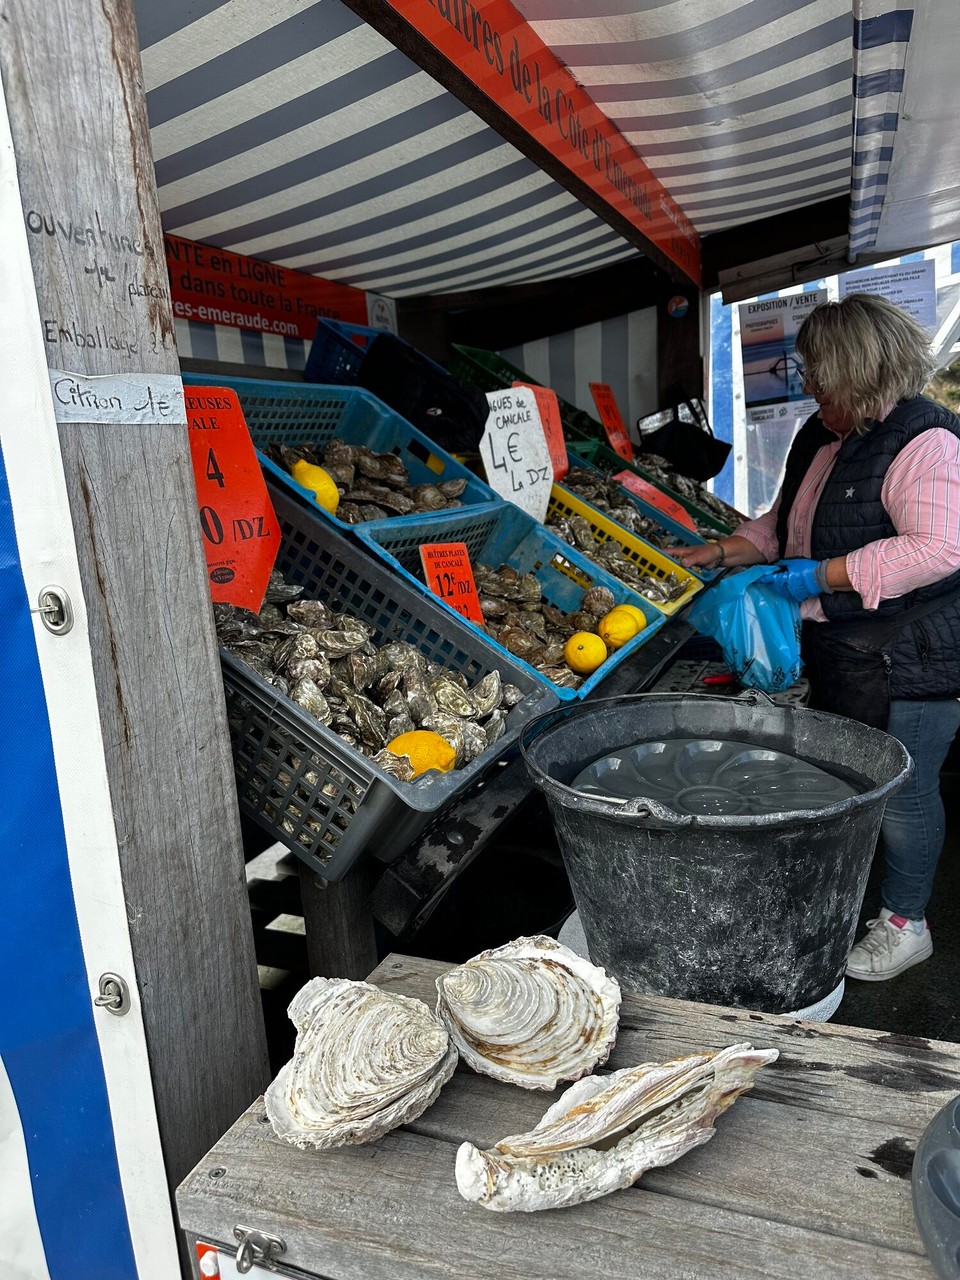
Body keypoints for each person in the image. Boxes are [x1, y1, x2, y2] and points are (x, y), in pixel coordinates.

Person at [672, 293, 960, 981]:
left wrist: (823, 575)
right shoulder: (822, 433)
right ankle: (849, 892)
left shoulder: (926, 442)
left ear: (861, 372)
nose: (809, 387)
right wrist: (718, 553)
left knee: (904, 792)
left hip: (911, 656)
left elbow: (942, 546)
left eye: (818, 375)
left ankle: (906, 922)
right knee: (851, 777)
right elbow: (783, 523)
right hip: (846, 649)